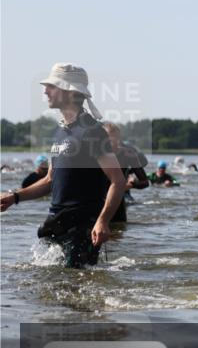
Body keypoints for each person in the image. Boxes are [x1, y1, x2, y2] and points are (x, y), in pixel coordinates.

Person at [0, 64, 126, 267]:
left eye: (52, 86)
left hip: (82, 226)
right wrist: (15, 197)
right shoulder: (60, 132)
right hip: (56, 221)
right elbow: (50, 180)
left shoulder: (92, 131)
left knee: (73, 287)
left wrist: (102, 221)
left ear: (69, 91)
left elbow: (118, 181)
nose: (45, 91)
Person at [103, 122, 150, 223]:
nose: (111, 142)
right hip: (97, 200)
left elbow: (145, 182)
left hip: (117, 202)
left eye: (113, 138)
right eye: (107, 138)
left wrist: (130, 185)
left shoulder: (128, 154)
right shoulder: (96, 154)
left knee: (118, 232)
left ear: (119, 138)